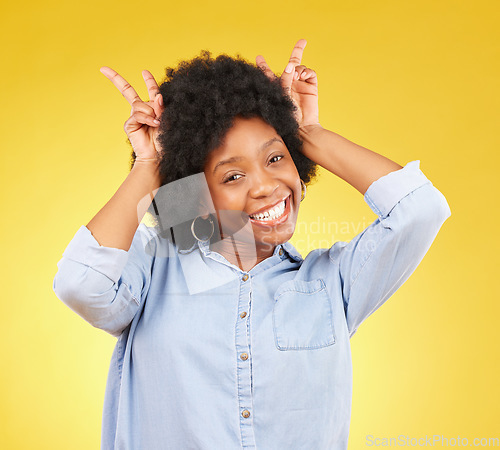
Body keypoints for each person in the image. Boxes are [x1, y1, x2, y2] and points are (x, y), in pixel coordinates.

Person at [53, 39, 451, 449]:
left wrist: (305, 133)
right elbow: (80, 285)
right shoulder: (154, 267)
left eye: (276, 158)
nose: (265, 187)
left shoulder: (333, 284)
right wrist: (150, 166)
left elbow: (421, 209)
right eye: (232, 176)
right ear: (196, 196)